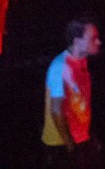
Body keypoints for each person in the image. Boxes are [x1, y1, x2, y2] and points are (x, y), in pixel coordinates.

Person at [42, 18, 100, 166]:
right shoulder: (60, 67)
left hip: (80, 138)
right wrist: (72, 149)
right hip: (61, 144)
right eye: (93, 38)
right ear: (77, 41)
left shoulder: (81, 61)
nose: (99, 42)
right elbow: (56, 111)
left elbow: (79, 102)